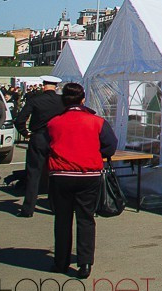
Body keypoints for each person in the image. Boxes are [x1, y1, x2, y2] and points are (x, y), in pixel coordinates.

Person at [46, 82, 117, 278]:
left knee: (62, 220)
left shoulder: (54, 123)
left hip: (61, 175)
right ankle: (85, 263)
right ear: (83, 99)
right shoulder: (96, 121)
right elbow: (110, 145)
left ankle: (60, 262)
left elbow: (45, 146)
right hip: (88, 174)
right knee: (86, 219)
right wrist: (94, 152)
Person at [14, 76, 66, 217]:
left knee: (34, 173)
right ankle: (56, 207)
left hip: (38, 137)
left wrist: (25, 133)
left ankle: (28, 208)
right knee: (56, 173)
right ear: (55, 86)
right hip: (56, 138)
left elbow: (20, 120)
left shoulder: (35, 100)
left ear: (44, 86)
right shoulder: (63, 101)